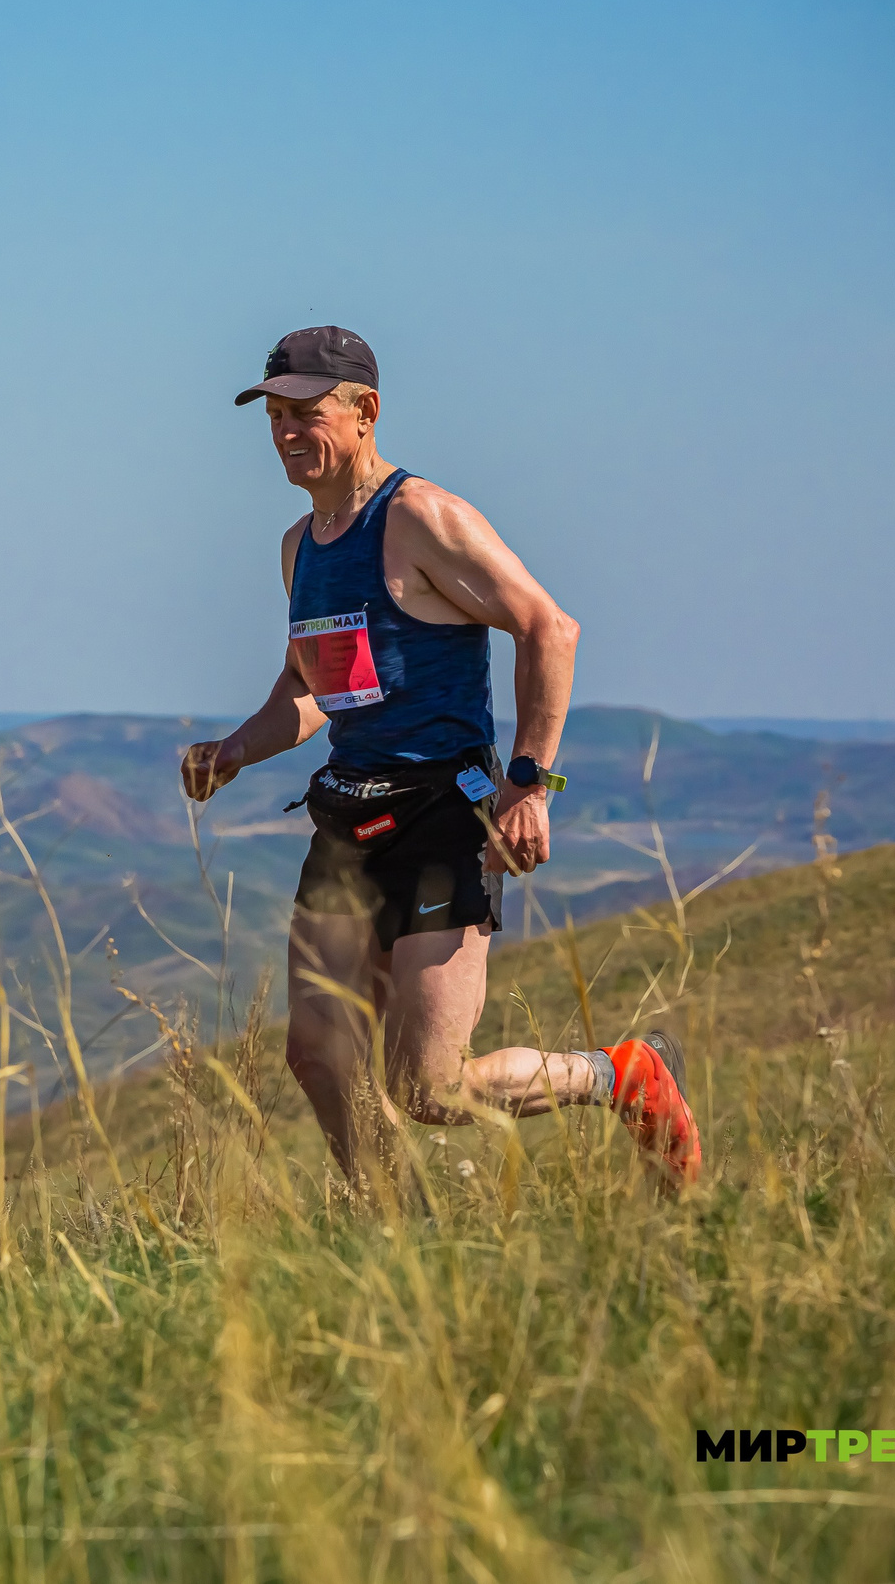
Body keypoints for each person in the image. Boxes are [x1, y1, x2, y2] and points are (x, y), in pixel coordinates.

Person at [178, 325, 699, 1192]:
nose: (285, 433)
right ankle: (390, 1233)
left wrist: (528, 785)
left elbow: (549, 627)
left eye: (305, 412)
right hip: (345, 817)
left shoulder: (420, 518)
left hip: (439, 817)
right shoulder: (299, 547)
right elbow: (312, 689)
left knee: (429, 1088)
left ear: (365, 411)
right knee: (318, 1055)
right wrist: (234, 750)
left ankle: (624, 1075)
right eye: (274, 415)